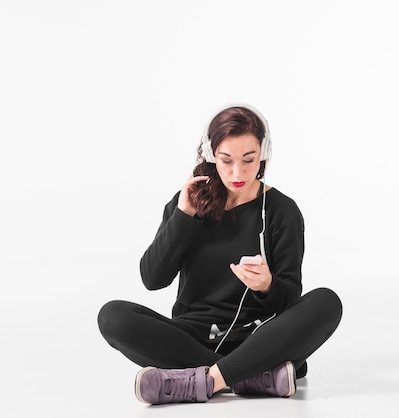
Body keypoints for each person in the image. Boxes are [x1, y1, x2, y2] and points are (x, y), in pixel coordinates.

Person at [97, 104, 343, 405]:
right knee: (112, 317)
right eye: (226, 161)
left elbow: (290, 299)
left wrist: (266, 284)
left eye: (248, 160)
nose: (237, 173)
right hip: (189, 338)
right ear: (211, 155)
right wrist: (184, 216)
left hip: (259, 340)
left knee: (327, 302)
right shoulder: (188, 203)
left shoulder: (282, 212)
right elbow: (152, 278)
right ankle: (250, 378)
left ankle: (207, 380)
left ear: (263, 154)